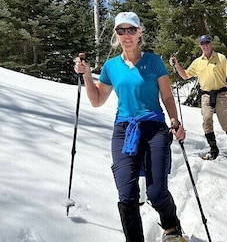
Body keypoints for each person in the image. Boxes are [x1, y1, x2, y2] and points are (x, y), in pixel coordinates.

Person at [74, 12, 187, 242]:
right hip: (124, 131)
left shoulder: (154, 62)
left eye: (131, 30)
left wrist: (174, 121)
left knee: (156, 192)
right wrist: (86, 75)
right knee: (127, 193)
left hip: (154, 128)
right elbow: (97, 100)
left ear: (139, 33)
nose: (126, 35)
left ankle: (171, 227)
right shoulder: (111, 66)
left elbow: (166, 96)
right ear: (116, 35)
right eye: (121, 30)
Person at [170, 34, 227, 159]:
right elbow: (185, 75)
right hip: (206, 95)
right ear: (200, 45)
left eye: (207, 42)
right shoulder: (197, 62)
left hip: (221, 94)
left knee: (225, 123)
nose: (205, 45)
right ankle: (213, 149)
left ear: (211, 43)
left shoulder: (221, 58)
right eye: (202, 43)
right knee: (207, 121)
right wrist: (177, 65)